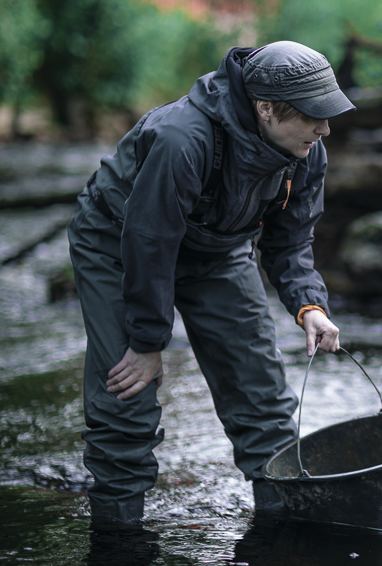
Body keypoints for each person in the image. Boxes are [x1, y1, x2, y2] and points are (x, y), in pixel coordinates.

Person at [68, 41, 355, 529]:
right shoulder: (184, 138)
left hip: (218, 251)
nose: (325, 128)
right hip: (118, 246)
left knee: (264, 402)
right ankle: (118, 542)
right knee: (127, 403)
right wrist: (146, 343)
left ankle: (287, 538)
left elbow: (290, 242)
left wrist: (310, 307)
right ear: (265, 108)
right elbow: (150, 240)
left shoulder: (306, 150)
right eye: (313, 116)